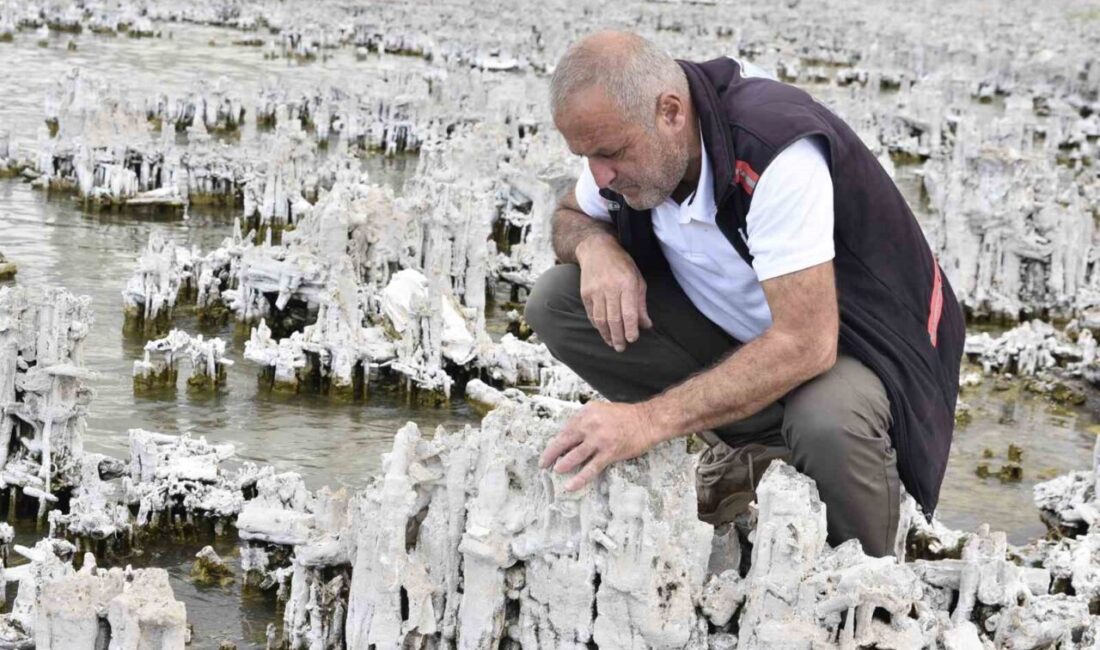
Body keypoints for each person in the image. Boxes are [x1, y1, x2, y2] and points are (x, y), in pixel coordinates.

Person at [525, 31, 964, 558]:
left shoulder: (775, 149)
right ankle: (765, 450)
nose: (600, 176)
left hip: (861, 349)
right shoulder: (630, 138)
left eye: (611, 154)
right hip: (749, 333)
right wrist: (597, 247)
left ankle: (864, 580)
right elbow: (570, 215)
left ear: (670, 112)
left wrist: (645, 421)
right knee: (558, 300)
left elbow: (807, 344)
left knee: (825, 421)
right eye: (586, 156)